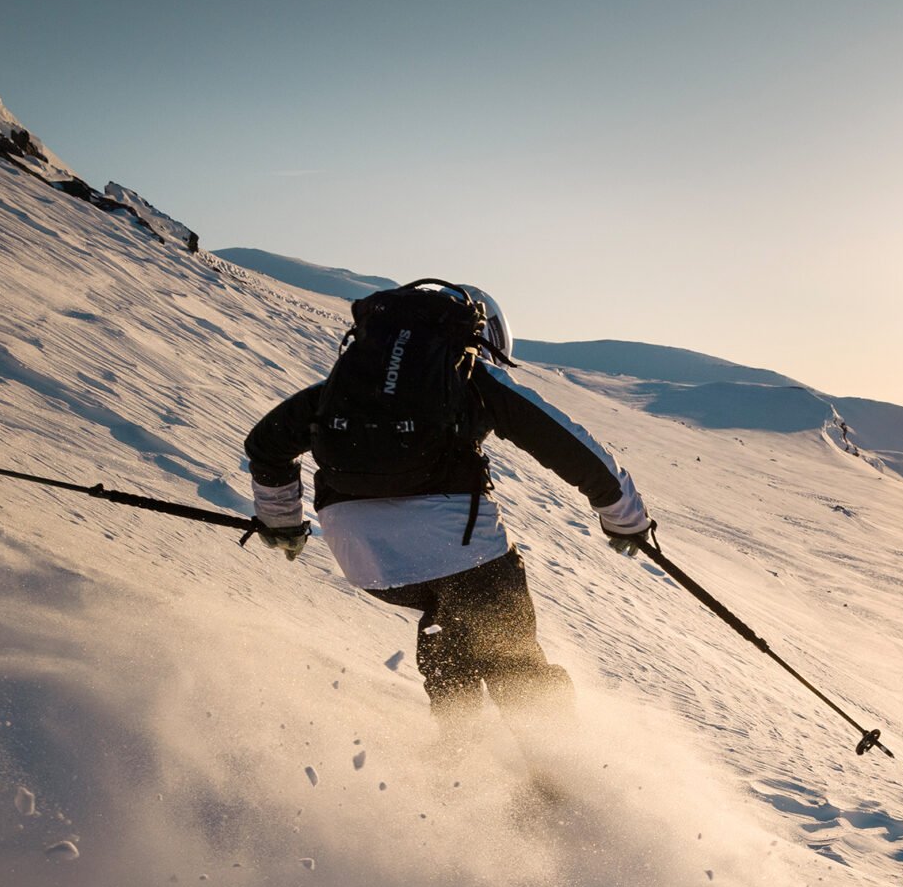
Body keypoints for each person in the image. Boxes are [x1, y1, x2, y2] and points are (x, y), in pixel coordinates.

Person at [243, 280, 650, 743]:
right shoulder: (469, 376)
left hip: (365, 559)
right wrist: (625, 518)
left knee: (449, 617)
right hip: (459, 548)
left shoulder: (343, 386)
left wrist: (282, 524)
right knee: (510, 656)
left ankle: (459, 760)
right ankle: (561, 776)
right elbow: (564, 442)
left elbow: (267, 445)